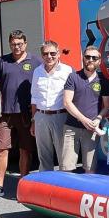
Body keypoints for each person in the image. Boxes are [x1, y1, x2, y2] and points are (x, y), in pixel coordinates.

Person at [0, 30, 43, 199]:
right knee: (2, 149)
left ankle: (23, 185)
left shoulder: (35, 62)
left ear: (25, 44)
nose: (16, 47)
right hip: (6, 114)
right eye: (13, 44)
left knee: (25, 150)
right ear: (9, 44)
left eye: (20, 44)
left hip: (26, 114)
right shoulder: (2, 61)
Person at [61, 46, 109, 174]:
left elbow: (106, 106)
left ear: (99, 61)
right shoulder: (73, 77)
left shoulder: (103, 81)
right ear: (83, 58)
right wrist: (84, 120)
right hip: (71, 127)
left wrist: (99, 118)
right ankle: (67, 194)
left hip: (92, 129)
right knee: (67, 167)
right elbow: (67, 102)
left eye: (94, 58)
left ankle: (86, 194)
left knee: (90, 167)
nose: (90, 60)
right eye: (87, 57)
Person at [30, 40, 72, 172]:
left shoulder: (67, 70)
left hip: (61, 116)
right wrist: (33, 120)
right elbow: (34, 97)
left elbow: (73, 96)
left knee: (63, 156)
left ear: (59, 54)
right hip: (41, 117)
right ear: (41, 55)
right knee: (43, 155)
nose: (49, 56)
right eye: (45, 54)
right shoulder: (37, 71)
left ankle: (64, 186)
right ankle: (46, 185)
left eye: (53, 53)